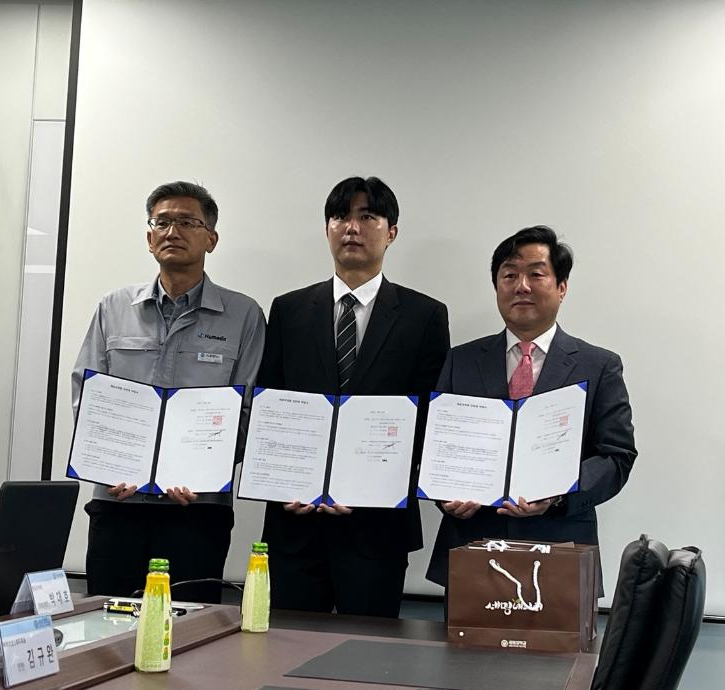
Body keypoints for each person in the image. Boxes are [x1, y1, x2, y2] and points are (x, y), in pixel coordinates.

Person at [258, 176, 450, 617]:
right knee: (289, 646)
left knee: (370, 648)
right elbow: (272, 407)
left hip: (377, 525)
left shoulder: (424, 315)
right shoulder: (288, 310)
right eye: (340, 216)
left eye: (367, 217)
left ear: (391, 232)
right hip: (296, 519)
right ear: (327, 228)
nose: (352, 227)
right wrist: (284, 482)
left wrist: (368, 484)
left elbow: (427, 417)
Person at [72, 181, 265, 601]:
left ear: (211, 239)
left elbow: (250, 409)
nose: (172, 232)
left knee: (192, 627)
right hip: (119, 502)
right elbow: (87, 395)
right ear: (149, 237)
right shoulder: (113, 308)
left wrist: (203, 471)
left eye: (187, 222)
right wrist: (107, 464)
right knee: (109, 621)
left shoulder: (243, 315)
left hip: (198, 508)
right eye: (162, 222)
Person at [426, 225, 637, 592]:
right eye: (509, 275)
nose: (521, 286)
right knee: (466, 635)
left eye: (536, 274)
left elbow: (616, 457)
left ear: (562, 286)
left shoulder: (598, 365)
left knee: (558, 635)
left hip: (561, 549)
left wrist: (558, 493)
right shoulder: (461, 360)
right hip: (473, 547)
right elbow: (438, 451)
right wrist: (445, 496)